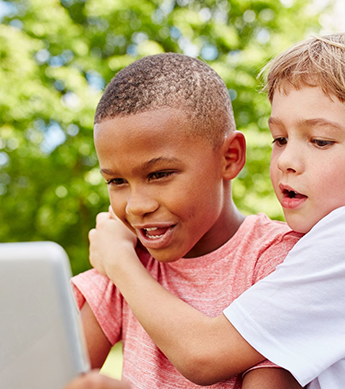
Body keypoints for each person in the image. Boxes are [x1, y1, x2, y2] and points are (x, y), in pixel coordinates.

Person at [86, 31, 345, 388]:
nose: (286, 161)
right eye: (280, 138)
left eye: (320, 140)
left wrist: (119, 261)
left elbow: (203, 355)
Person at [71, 53, 304, 388]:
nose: (137, 207)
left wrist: (121, 264)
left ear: (230, 157)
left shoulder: (275, 259)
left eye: (159, 174)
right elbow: (55, 376)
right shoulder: (127, 260)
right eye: (116, 182)